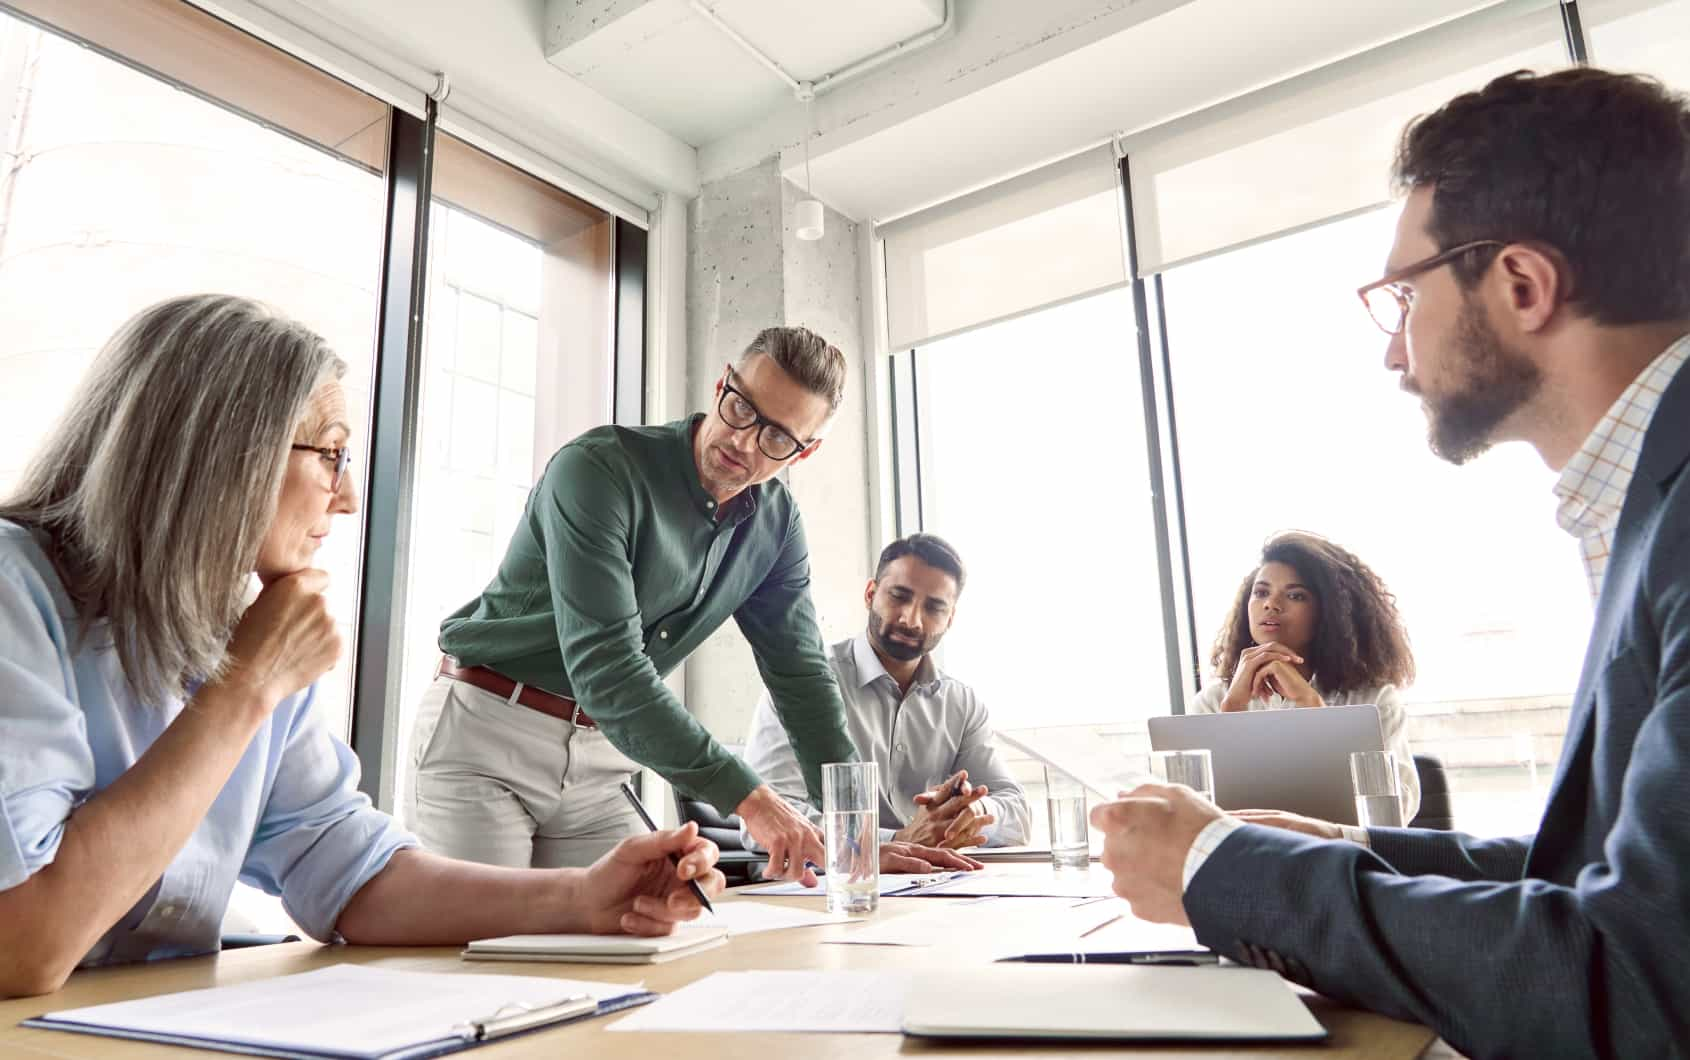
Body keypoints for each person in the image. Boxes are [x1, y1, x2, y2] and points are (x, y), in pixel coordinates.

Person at [1091, 68, 1690, 1057]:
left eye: (1400, 296)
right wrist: (1351, 847)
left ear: (1520, 285)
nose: (1392, 354)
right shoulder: (1644, 502)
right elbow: (1595, 871)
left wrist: (1217, 866)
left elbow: (1638, 984)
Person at [0, 295, 724, 1000]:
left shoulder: (253, 629)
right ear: (221, 454)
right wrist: (246, 689)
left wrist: (582, 897)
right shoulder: (16, 592)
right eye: (332, 456)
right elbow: (23, 944)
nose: (346, 500)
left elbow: (346, 869)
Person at [408, 326, 967, 883]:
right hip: (486, 735)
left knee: (650, 938)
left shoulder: (776, 524)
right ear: (724, 382)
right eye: (741, 408)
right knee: (485, 952)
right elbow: (609, 670)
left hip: (599, 762)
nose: (744, 442)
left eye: (778, 438)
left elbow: (801, 678)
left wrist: (857, 839)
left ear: (806, 450)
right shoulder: (598, 470)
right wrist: (751, 799)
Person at [743, 533, 1030, 854]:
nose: (911, 619)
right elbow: (766, 820)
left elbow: (1018, 813)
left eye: (934, 607)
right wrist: (893, 843)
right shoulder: (801, 681)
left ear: (950, 619)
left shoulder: (961, 703)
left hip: (931, 885)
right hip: (828, 886)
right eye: (899, 596)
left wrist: (972, 813)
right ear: (870, 594)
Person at [1191, 530, 1419, 820]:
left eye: (1295, 595)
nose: (1270, 604)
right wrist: (1232, 715)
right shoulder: (1215, 702)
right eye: (1261, 592)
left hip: (1338, 858)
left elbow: (1394, 813)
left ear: (1329, 612)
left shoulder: (1373, 700)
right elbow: (1192, 820)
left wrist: (1313, 710)